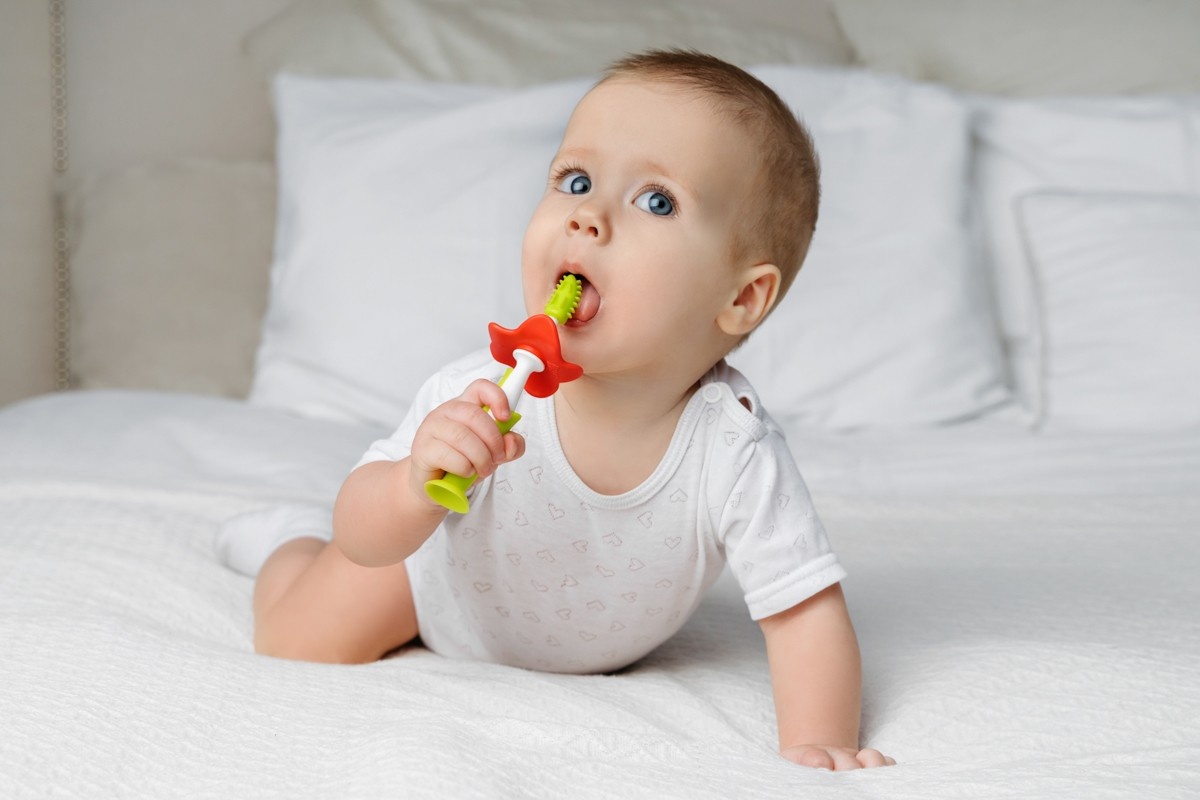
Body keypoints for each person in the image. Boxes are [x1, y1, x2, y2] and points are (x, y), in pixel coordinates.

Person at [218, 49, 894, 771]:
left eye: (656, 201)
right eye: (576, 181)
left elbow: (803, 614)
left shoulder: (734, 450)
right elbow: (365, 532)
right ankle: (290, 541)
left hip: (598, 639)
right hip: (435, 583)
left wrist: (821, 745)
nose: (587, 218)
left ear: (741, 298)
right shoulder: (481, 395)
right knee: (299, 638)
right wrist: (415, 485)